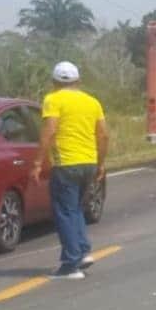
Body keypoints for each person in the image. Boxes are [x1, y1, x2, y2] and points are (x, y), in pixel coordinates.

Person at [31, 61, 109, 280]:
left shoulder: (53, 100)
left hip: (66, 163)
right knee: (75, 209)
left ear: (54, 82)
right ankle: (83, 252)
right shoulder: (92, 102)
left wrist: (38, 162)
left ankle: (70, 264)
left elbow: (50, 130)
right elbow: (103, 134)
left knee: (64, 212)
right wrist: (100, 163)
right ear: (78, 81)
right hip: (89, 162)